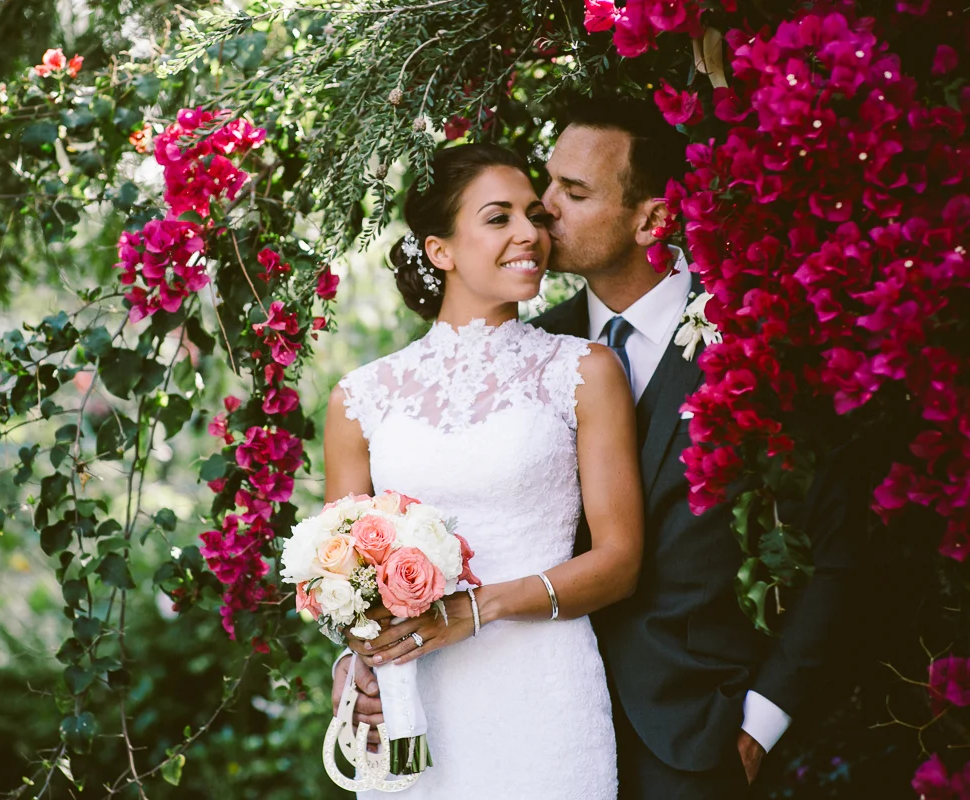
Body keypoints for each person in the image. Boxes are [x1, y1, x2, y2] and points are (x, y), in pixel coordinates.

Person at [337, 97, 864, 799]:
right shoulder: (540, 349)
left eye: (570, 193)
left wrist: (760, 723)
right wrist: (363, 658)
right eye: (540, 189)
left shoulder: (755, 335)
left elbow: (839, 547)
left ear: (652, 218)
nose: (544, 213)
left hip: (694, 731)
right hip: (514, 702)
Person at [324, 142, 644, 798]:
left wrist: (477, 609)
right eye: (499, 218)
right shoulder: (361, 398)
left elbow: (621, 561)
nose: (530, 232)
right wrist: (354, 664)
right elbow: (341, 586)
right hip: (415, 704)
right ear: (440, 250)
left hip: (545, 699)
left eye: (533, 214)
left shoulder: (583, 372)